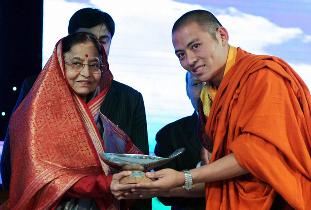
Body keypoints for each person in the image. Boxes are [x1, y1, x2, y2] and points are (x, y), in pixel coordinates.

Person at [115, 9, 311, 209]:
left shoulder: (264, 77)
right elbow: (227, 180)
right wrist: (156, 187)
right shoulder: (210, 94)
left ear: (222, 36)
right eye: (181, 54)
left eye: (196, 46)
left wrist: (184, 177)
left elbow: (255, 155)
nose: (189, 60)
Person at [1, 9, 150, 209]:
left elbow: (140, 164)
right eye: (77, 62)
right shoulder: (37, 93)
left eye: (102, 40)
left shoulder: (129, 99)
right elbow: (22, 164)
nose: (94, 46)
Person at [154, 72, 205, 210]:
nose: (205, 91)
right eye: (196, 84)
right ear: (187, 90)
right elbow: (163, 194)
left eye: (211, 83)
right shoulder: (169, 134)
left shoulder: (246, 130)